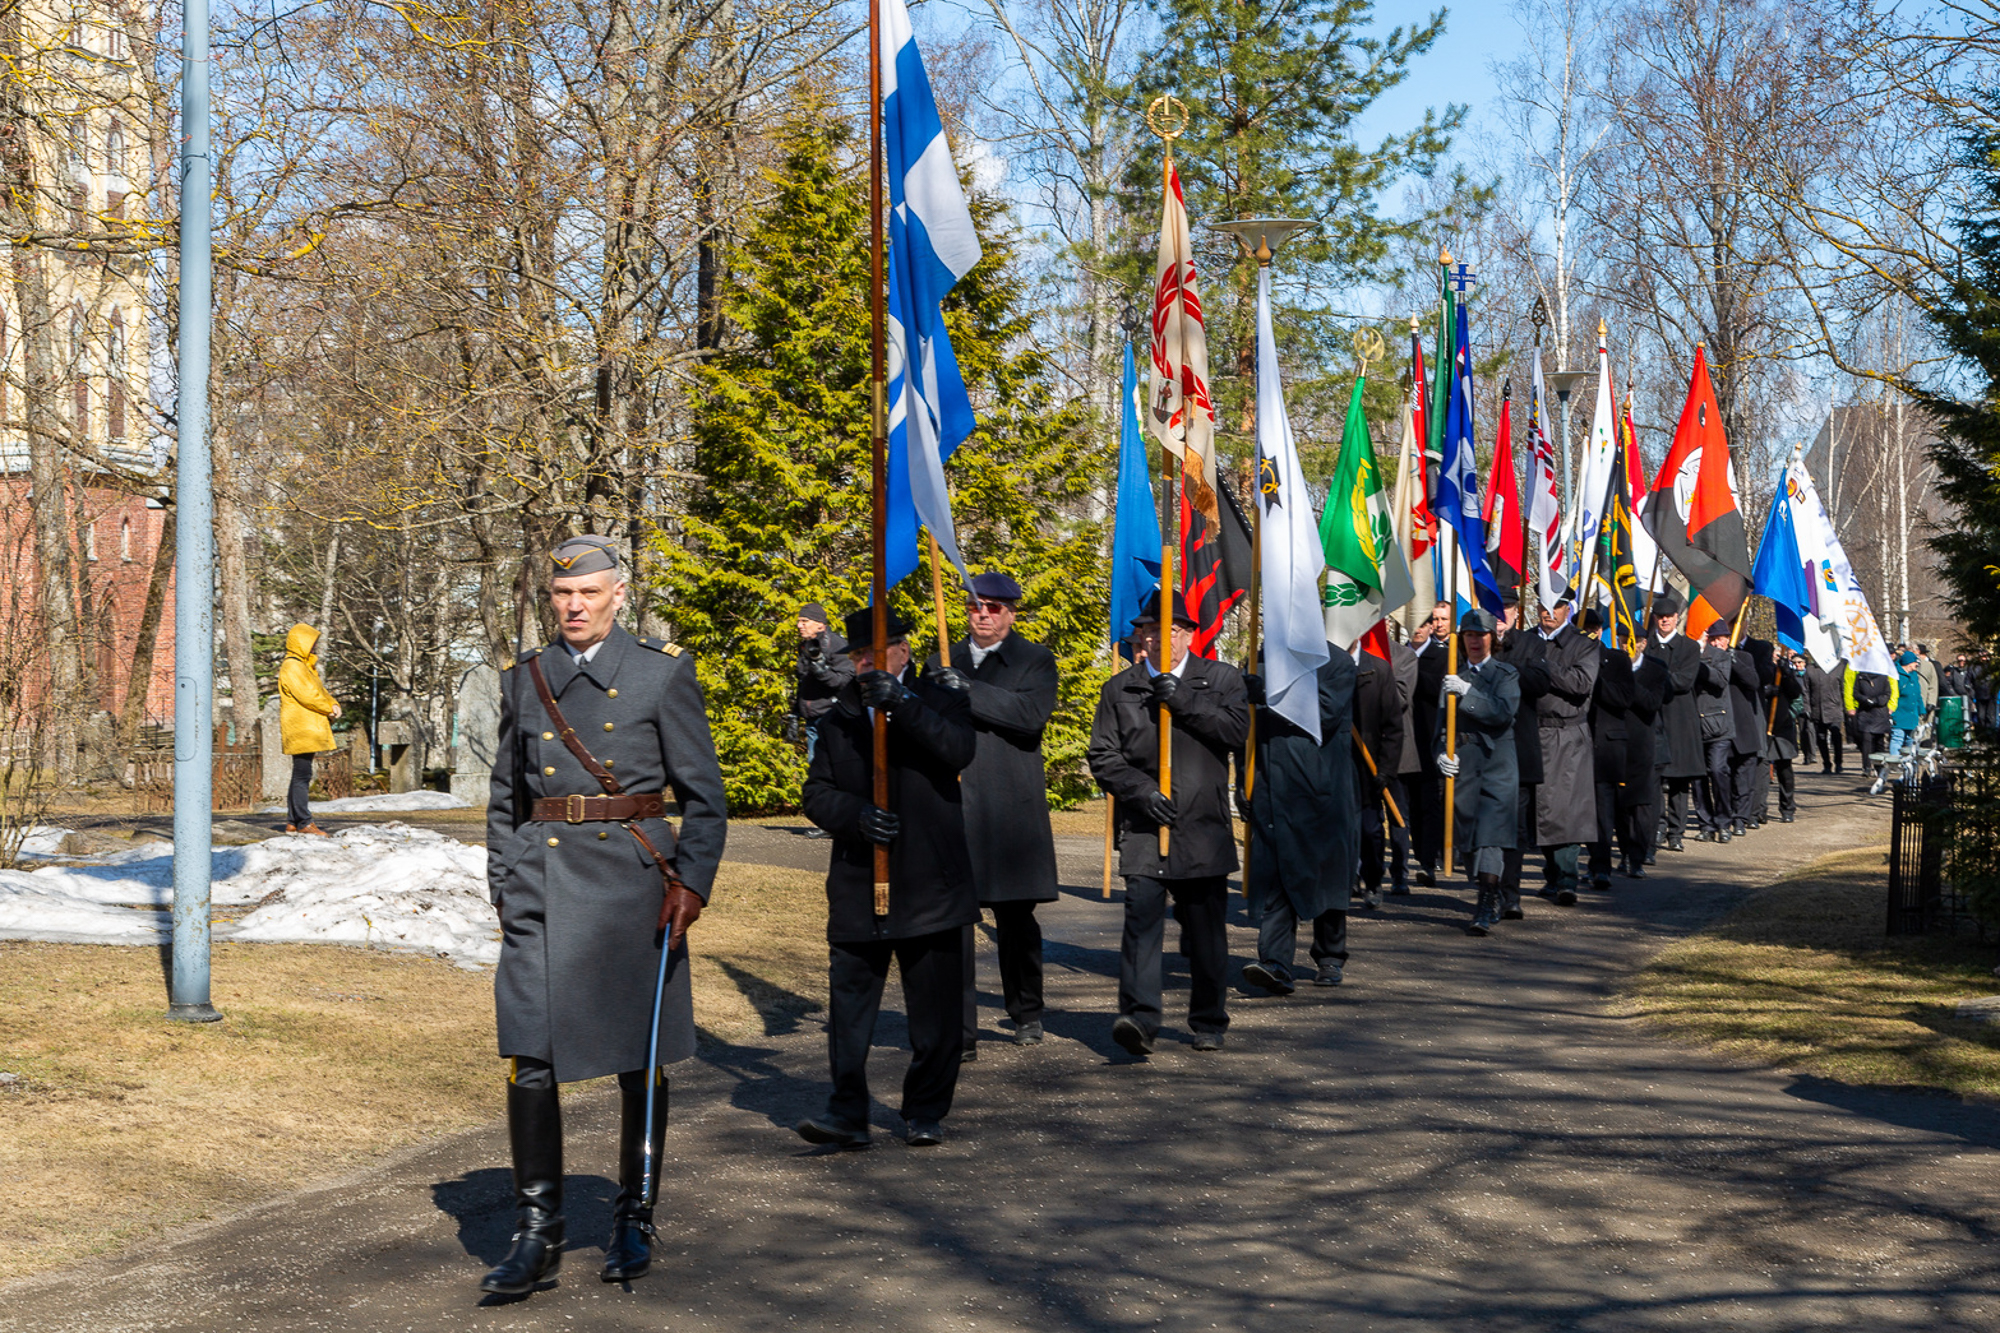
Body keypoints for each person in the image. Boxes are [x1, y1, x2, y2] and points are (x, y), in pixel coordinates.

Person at [483, 535, 728, 1294]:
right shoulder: (526, 679)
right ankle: (538, 1232)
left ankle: (633, 1215)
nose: (574, 606)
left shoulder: (660, 674)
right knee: (530, 1051)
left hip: (633, 886)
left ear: (618, 594)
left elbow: (706, 797)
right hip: (544, 887)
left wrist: (691, 884)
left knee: (636, 1053)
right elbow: (505, 794)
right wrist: (507, 875)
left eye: (588, 592)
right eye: (562, 595)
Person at [798, 608, 977, 1150]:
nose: (868, 663)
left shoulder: (941, 698)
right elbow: (816, 793)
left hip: (930, 881)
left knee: (936, 1014)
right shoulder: (838, 719)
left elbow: (957, 750)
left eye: (878, 652)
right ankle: (846, 1112)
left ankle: (924, 1109)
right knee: (850, 1013)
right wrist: (853, 817)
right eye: (859, 656)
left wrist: (905, 705)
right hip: (861, 881)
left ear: (903, 651)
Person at [1087, 592, 1248, 1056]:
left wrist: (1182, 702)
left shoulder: (1219, 678)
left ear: (1189, 634)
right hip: (1144, 825)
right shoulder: (1121, 688)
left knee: (1205, 934)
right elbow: (1103, 754)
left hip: (1202, 825)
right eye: (1151, 630)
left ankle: (1208, 1019)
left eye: (1170, 630)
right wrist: (1140, 792)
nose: (1159, 638)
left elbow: (1236, 732)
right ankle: (1138, 1019)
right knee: (1140, 924)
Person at [943, 571, 1060, 1056]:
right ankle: (959, 1029)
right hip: (952, 809)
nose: (983, 615)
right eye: (975, 606)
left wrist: (966, 690)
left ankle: (1026, 1010)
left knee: (1015, 922)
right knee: (951, 927)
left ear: (1011, 613)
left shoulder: (1034, 660)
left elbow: (1028, 717)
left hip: (1009, 810)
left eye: (993, 607)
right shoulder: (940, 661)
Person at [1240, 641, 1358, 993]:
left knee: (1326, 877)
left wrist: (1270, 694)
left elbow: (1323, 712)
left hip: (1321, 787)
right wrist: (1242, 779)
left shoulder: (1335, 661)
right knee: (1278, 874)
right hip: (1272, 786)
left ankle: (1330, 956)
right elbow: (1244, 729)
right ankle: (1275, 961)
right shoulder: (1259, 659)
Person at [1434, 609, 1521, 936]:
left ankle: (1485, 902)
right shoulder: (1452, 675)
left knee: (1490, 836)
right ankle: (1491, 888)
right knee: (1469, 837)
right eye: (1469, 635)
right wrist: (1441, 754)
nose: (1474, 640)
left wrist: (1469, 693)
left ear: (1492, 638)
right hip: (1464, 764)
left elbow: (1502, 713)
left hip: (1497, 763)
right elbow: (1439, 726)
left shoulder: (1505, 674)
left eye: (1481, 635)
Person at [1532, 597, 1599, 905]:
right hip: (1534, 730)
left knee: (1567, 810)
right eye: (1543, 606)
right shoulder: (1527, 639)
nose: (1548, 612)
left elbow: (1581, 683)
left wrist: (1543, 664)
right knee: (1542, 808)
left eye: (1556, 606)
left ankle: (1567, 877)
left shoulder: (1582, 644)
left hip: (1568, 733)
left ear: (1567, 609)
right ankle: (1552, 873)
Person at [1492, 596, 1550, 918]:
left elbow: (1541, 683)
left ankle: (1509, 894)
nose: (1500, 617)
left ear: (1516, 612)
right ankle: (1488, 887)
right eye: (1494, 611)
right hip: (1484, 750)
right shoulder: (1474, 640)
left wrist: (1503, 668)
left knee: (1515, 828)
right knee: (1486, 826)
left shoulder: (1531, 644)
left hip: (1519, 747)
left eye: (1506, 611)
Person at [1644, 593, 1704, 852]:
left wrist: (1655, 677)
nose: (1665, 620)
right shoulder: (1645, 646)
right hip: (1652, 718)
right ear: (1655, 618)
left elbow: (1684, 681)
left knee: (1680, 780)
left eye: (1669, 616)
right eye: (1660, 617)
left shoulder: (1689, 647)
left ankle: (1676, 831)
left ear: (1677, 618)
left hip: (1680, 720)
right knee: (1654, 778)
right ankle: (1657, 826)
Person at [1582, 609, 1636, 890]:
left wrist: (1594, 680)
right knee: (1582, 812)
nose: (1590, 633)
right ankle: (1591, 863)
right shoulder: (1570, 658)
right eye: (1584, 628)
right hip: (1577, 745)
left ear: (1601, 630)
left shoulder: (1616, 659)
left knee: (1605, 810)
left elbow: (1625, 698)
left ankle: (1604, 866)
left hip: (1606, 747)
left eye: (1593, 628)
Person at [791, 604, 853, 840]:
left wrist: (822, 670)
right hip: (813, 718)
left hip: (833, 718)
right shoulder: (805, 645)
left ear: (820, 624)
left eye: (804, 621)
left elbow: (846, 680)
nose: (799, 626)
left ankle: (836, 822)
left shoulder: (836, 645)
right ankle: (829, 822)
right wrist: (794, 713)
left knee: (832, 771)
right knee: (817, 771)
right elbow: (802, 682)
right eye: (799, 621)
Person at [1353, 642, 1406, 911]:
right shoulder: (1322, 664)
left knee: (1369, 830)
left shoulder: (1378, 669)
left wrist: (1386, 769)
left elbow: (1393, 727)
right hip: (1333, 768)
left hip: (1368, 768)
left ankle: (1372, 880)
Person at [278, 623, 342, 836]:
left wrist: (333, 704)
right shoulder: (293, 666)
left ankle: (293, 822)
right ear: (301, 643)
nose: (314, 646)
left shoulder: (303, 666)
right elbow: (308, 695)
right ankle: (304, 822)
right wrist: (328, 707)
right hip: (302, 728)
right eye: (311, 642)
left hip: (305, 726)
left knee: (300, 774)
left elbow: (319, 691)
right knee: (302, 776)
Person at [1407, 603, 1452, 884]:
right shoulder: (1405, 653)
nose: (1436, 624)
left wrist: (1411, 672)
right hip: (1408, 736)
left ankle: (1429, 859)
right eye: (1432, 619)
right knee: (1414, 803)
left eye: (1441, 619)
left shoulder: (1448, 654)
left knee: (1432, 802)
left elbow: (1442, 687)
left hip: (1435, 735)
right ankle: (1421, 853)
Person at [1763, 651, 1804, 823]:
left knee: (1785, 769)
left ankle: (1787, 807)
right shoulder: (1761, 669)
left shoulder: (1785, 671)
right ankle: (1759, 809)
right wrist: (1766, 691)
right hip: (1763, 724)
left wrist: (1787, 675)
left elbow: (1796, 693)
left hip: (1782, 725)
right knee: (1762, 771)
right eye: (1773, 653)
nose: (1776, 656)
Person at [1846, 661, 1896, 795]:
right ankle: (1866, 766)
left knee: (1879, 742)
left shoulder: (1883, 677)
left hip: (1879, 713)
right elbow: (1855, 692)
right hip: (1865, 713)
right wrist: (1865, 700)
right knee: (1866, 740)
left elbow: (1887, 693)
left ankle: (1879, 767)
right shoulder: (1861, 677)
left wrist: (1876, 701)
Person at [1806, 655, 1847, 774]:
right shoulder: (1810, 669)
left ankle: (1839, 763)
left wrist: (1845, 707)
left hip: (1834, 708)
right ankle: (1826, 764)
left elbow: (1843, 688)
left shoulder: (1838, 667)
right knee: (1821, 738)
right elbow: (1806, 690)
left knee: (1836, 735)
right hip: (1817, 709)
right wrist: (1808, 707)